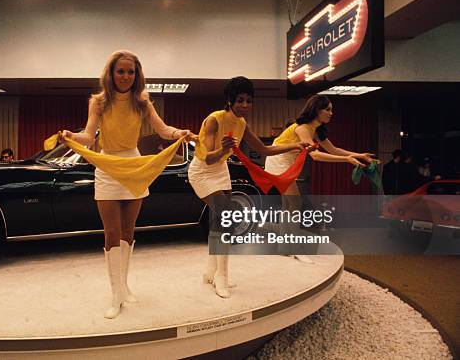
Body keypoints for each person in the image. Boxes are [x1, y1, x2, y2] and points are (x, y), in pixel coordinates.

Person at [59, 50, 194, 319]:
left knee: (128, 232)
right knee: (111, 233)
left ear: (137, 75)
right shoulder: (98, 101)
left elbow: (163, 129)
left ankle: (124, 286)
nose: (125, 76)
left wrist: (180, 133)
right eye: (120, 71)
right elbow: (88, 135)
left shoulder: (142, 101)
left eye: (130, 72)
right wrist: (71, 135)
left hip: (134, 165)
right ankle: (114, 294)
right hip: (108, 166)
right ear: (111, 73)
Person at [188, 76, 310, 299]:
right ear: (230, 100)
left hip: (221, 170)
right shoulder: (213, 120)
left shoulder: (242, 124)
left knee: (220, 219)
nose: (245, 105)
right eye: (240, 101)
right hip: (202, 171)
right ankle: (221, 277)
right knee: (225, 217)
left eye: (248, 101)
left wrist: (295, 144)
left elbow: (263, 150)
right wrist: (223, 148)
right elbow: (207, 158)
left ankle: (211, 271)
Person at [265, 94, 373, 263]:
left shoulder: (315, 129)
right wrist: (346, 160)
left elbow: (333, 149)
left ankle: (285, 247)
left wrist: (359, 155)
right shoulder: (302, 128)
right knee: (295, 203)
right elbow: (314, 155)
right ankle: (293, 248)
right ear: (317, 110)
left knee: (290, 205)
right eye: (328, 109)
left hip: (285, 162)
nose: (331, 113)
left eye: (332, 110)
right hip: (278, 161)